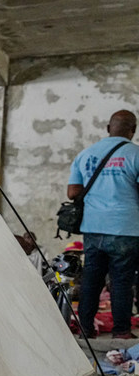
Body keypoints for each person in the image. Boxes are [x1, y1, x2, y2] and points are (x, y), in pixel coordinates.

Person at [69, 110, 139, 339]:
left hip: (92, 226)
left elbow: (73, 192)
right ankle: (121, 331)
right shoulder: (135, 154)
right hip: (124, 228)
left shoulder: (85, 154)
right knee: (121, 281)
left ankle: (85, 329)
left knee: (91, 279)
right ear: (133, 130)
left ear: (108, 128)